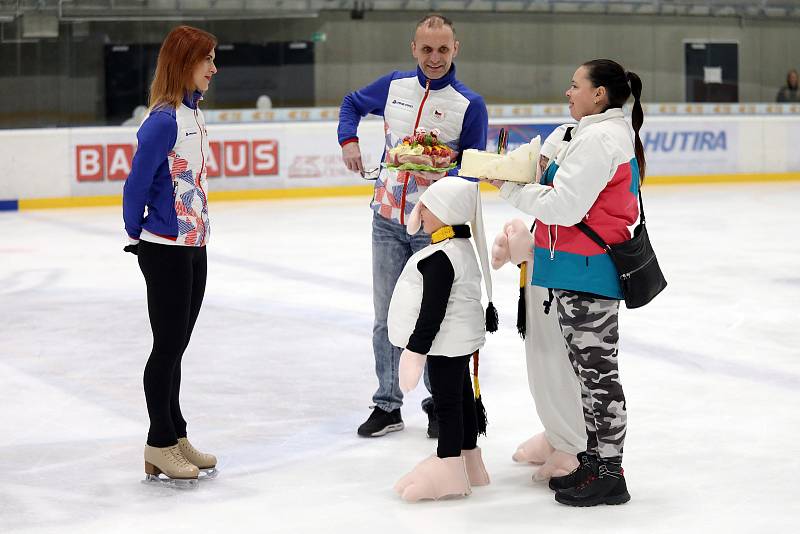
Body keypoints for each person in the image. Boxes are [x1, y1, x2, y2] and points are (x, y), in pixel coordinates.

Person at [488, 59, 644, 507]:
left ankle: (611, 474)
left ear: (599, 94)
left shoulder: (602, 139)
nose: (568, 91)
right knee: (587, 376)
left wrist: (509, 189)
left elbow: (565, 208)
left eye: (575, 85)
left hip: (590, 272)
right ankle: (594, 463)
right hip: (574, 270)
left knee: (599, 379)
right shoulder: (589, 134)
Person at [337, 13, 488, 439]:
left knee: (432, 319)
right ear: (413, 48)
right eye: (426, 49)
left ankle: (438, 404)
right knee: (386, 316)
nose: (434, 58)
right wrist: (349, 140)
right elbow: (350, 103)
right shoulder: (394, 86)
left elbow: (473, 167)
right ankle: (387, 403)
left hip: (434, 227)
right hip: (386, 218)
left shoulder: (468, 104)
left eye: (443, 49)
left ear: (455, 49)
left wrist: (443, 165)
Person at [122, 25, 219, 487]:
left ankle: (176, 435)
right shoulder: (162, 120)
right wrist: (135, 231)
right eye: (208, 61)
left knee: (177, 346)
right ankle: (158, 442)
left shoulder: (193, 115)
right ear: (185, 63)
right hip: (164, 249)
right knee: (166, 348)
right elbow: (136, 182)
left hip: (194, 244)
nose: (214, 69)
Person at [387, 176, 496, 502]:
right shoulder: (460, 247)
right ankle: (469, 461)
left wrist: (415, 351)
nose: (421, 214)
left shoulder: (441, 257)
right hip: (460, 341)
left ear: (445, 213)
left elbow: (432, 311)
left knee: (448, 403)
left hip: (446, 343)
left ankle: (449, 467)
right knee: (461, 397)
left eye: (428, 208)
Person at [491, 130, 587, 484]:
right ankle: (556, 433)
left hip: (565, 277)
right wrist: (523, 252)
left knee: (558, 363)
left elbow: (565, 214)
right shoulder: (566, 136)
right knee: (541, 363)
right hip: (542, 278)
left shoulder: (589, 155)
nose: (538, 169)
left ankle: (574, 444)